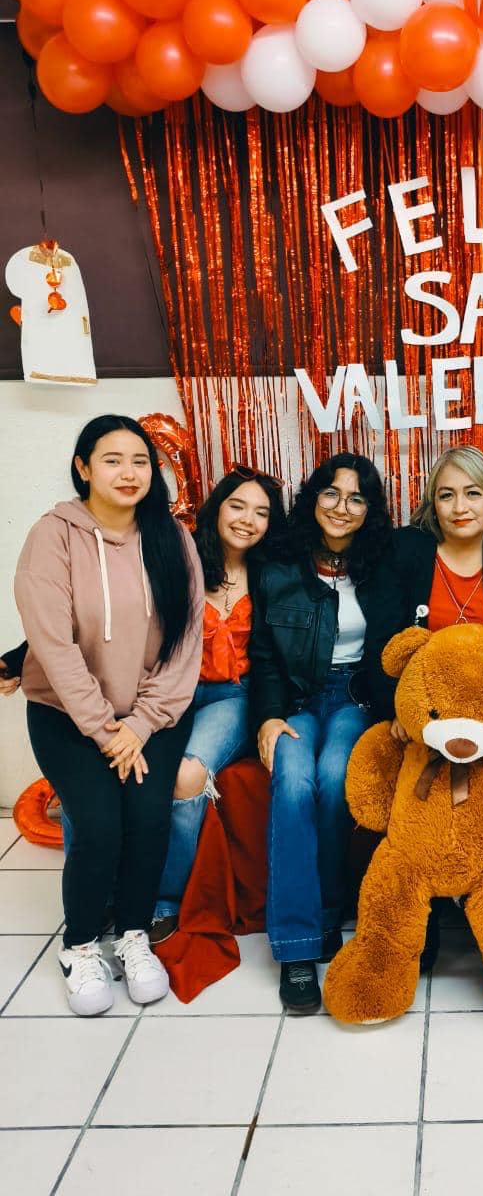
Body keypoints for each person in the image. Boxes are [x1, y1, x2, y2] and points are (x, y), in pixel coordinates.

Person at [14, 415, 204, 1016]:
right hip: (67, 716)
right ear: (84, 468)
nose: (129, 472)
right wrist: (104, 729)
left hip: (151, 715)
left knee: (148, 817)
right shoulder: (53, 536)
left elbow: (185, 642)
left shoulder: (172, 539)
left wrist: (140, 725)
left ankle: (132, 934)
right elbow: (54, 647)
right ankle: (78, 946)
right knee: (97, 826)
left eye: (140, 461)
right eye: (113, 460)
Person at [249, 452, 392, 1013]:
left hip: (355, 697)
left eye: (357, 498)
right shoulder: (279, 565)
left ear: (370, 509)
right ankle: (296, 946)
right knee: (292, 782)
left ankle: (330, 910)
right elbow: (264, 655)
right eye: (331, 493)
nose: (342, 507)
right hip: (296, 699)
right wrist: (267, 716)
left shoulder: (381, 564)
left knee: (335, 778)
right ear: (313, 499)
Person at [149, 466, 287, 943]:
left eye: (261, 512)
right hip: (176, 692)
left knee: (187, 774)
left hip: (235, 696)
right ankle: (114, 889)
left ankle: (166, 901)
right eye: (238, 506)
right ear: (217, 508)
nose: (248, 520)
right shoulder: (182, 558)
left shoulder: (272, 573)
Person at [366, 444, 483, 730]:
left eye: (473, 493)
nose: (459, 508)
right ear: (433, 504)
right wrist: (399, 709)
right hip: (425, 706)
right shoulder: (404, 547)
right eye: (446, 495)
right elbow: (382, 643)